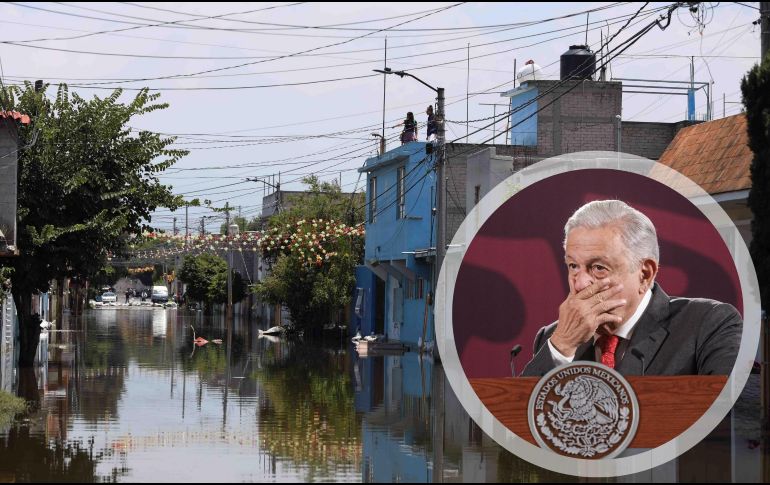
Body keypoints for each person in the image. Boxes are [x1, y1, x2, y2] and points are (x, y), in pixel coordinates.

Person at [520, 200, 742, 377]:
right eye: (573, 266)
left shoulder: (708, 324)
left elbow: (728, 419)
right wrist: (562, 346)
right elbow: (520, 421)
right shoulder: (553, 338)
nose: (580, 284)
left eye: (598, 267)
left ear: (645, 274)